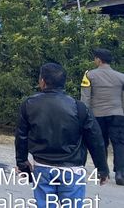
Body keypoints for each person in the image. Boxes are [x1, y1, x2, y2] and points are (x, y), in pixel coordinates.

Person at [16, 63, 109, 208]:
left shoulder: (29, 104)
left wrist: (22, 162)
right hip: (72, 170)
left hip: (42, 167)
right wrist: (102, 169)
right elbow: (95, 140)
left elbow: (21, 136)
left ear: (42, 81)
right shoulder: (79, 108)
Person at [81, 48, 124, 185]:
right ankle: (120, 173)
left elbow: (85, 98)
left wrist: (84, 116)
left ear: (98, 60)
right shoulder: (121, 77)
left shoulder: (89, 75)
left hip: (97, 115)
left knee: (100, 143)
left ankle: (102, 172)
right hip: (117, 114)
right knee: (119, 143)